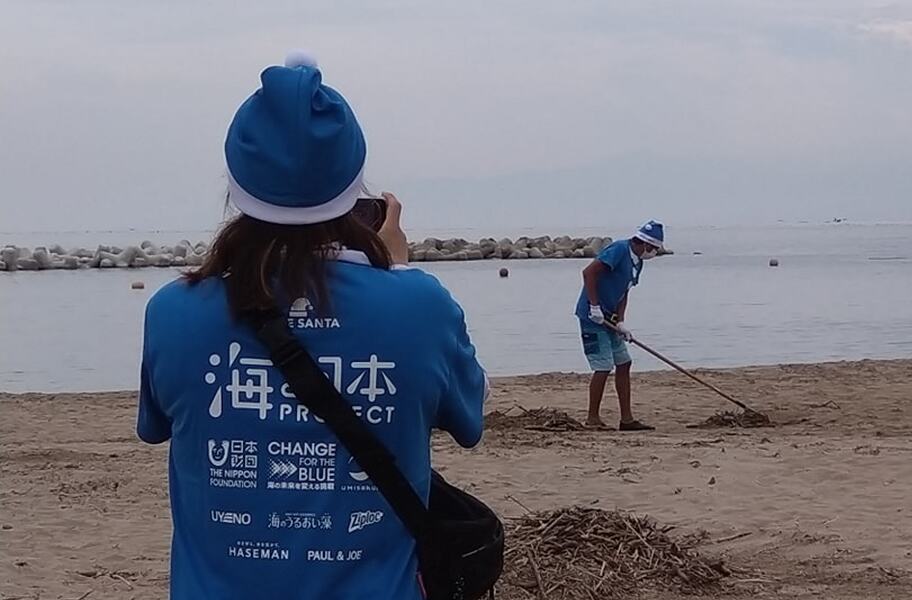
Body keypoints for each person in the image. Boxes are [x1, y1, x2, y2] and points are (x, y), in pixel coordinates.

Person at [135, 52, 488, 600]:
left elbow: (155, 424)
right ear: (356, 188)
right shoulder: (420, 305)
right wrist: (394, 272)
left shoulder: (172, 312)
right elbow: (469, 415)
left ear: (235, 184)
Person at [574, 220, 665, 431]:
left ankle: (627, 419)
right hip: (592, 317)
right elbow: (588, 273)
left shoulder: (638, 262)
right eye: (652, 249)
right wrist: (594, 306)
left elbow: (625, 291)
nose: (653, 254)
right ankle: (592, 418)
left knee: (624, 363)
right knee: (603, 366)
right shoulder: (618, 250)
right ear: (644, 243)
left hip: (610, 320)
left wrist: (621, 320)